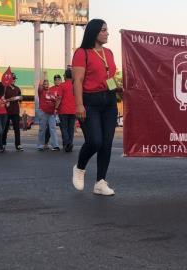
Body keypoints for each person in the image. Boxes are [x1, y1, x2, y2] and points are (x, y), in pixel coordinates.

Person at [71, 19, 118, 196]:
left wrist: (116, 88)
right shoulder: (82, 53)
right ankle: (80, 168)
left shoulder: (109, 53)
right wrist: (79, 104)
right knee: (95, 141)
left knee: (106, 143)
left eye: (107, 30)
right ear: (94, 32)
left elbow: (109, 77)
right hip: (90, 102)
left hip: (109, 102)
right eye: (103, 30)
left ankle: (100, 182)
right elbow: (78, 81)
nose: (107, 33)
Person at [2, 73, 24, 151]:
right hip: (6, 112)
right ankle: (3, 144)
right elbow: (2, 99)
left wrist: (21, 98)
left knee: (17, 129)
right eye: (12, 79)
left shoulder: (17, 89)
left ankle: (18, 145)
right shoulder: (4, 88)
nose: (14, 80)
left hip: (15, 111)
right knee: (5, 129)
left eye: (14, 79)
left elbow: (20, 100)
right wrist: (7, 100)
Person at [37, 79, 60, 151]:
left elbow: (56, 100)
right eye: (44, 84)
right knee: (42, 129)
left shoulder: (51, 92)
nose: (46, 85)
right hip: (43, 112)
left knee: (52, 129)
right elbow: (40, 86)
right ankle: (40, 145)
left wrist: (56, 109)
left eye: (47, 84)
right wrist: (42, 79)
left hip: (51, 113)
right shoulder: (41, 91)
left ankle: (55, 145)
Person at [56, 67, 76, 152]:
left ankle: (67, 143)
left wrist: (56, 107)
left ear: (65, 76)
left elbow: (59, 98)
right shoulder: (76, 85)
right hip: (73, 110)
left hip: (63, 110)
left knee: (64, 128)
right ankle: (69, 143)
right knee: (71, 128)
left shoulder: (62, 85)